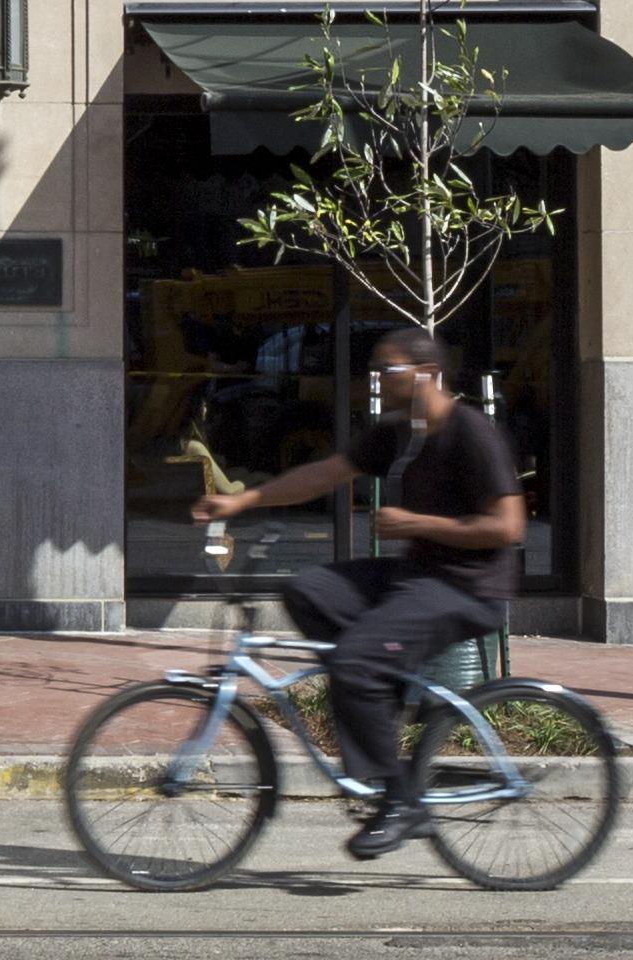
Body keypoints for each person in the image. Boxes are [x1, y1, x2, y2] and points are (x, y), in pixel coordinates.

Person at [187, 326, 524, 858]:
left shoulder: (470, 432)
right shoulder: (399, 431)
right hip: (418, 578)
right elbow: (327, 473)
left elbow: (508, 528)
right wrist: (243, 501)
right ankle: (379, 691)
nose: (377, 380)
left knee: (356, 659)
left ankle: (400, 801)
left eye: (386, 371)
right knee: (309, 590)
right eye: (375, 371)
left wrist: (419, 523)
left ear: (425, 373)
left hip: (467, 588)